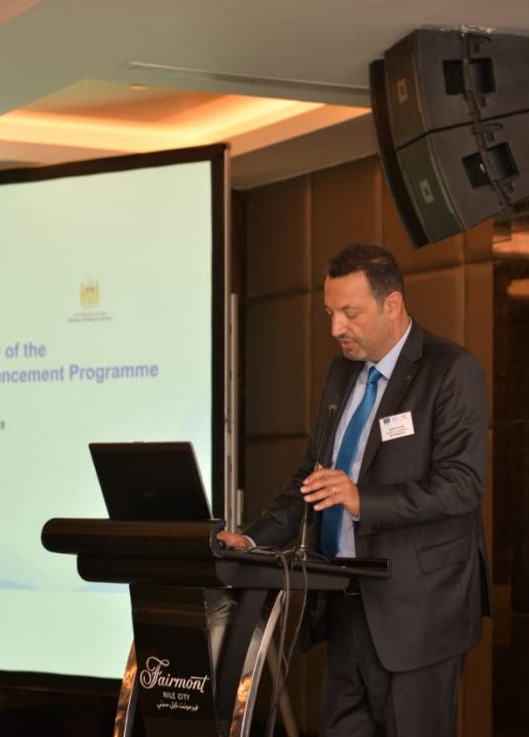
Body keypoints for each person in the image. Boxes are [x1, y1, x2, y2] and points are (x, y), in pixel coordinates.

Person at [218, 244, 490, 737]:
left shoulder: (450, 371)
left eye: (350, 313)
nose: (336, 328)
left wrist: (363, 499)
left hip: (419, 614)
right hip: (344, 603)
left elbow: (462, 486)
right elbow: (312, 481)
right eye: (330, 312)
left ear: (392, 304)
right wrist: (253, 540)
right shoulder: (342, 372)